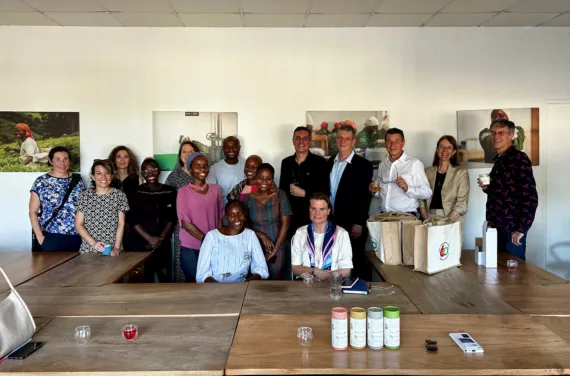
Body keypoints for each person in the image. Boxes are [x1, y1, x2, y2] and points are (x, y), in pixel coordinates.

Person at [478, 119, 538, 260]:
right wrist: (487, 188)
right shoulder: (499, 160)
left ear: (511, 135)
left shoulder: (519, 159)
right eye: (493, 133)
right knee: (496, 272)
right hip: (495, 225)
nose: (496, 136)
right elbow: (504, 191)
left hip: (512, 228)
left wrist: (521, 229)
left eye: (501, 133)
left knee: (514, 274)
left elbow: (530, 197)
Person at [328, 124, 373, 279]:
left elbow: (365, 196)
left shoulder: (364, 165)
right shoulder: (329, 163)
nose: (343, 141)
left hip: (353, 223)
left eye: (347, 138)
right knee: (335, 261)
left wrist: (359, 223)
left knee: (354, 262)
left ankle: (358, 297)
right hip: (332, 221)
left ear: (354, 141)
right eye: (340, 137)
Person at [125, 158, 177, 282]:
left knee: (164, 278)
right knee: (142, 279)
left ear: (159, 171)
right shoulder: (136, 191)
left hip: (162, 241)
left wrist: (161, 238)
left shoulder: (169, 190)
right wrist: (149, 238)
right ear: (142, 174)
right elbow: (132, 218)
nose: (150, 174)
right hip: (140, 242)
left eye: (153, 170)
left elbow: (172, 215)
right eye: (146, 171)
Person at [196, 200, 269, 283]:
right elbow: (201, 275)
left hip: (242, 289)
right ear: (226, 217)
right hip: (215, 290)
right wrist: (220, 290)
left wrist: (245, 285)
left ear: (245, 215)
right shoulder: (212, 236)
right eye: (232, 215)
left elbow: (262, 269)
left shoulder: (250, 235)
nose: (237, 218)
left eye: (240, 214)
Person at [177, 152, 224, 282]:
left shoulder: (216, 189)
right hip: (191, 248)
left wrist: (217, 239)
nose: (202, 170)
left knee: (213, 283)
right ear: (190, 169)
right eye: (197, 166)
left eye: (205, 166)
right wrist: (207, 239)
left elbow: (220, 216)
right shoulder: (183, 192)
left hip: (214, 246)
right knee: (194, 284)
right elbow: (185, 223)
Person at [29, 146, 85, 251]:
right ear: (51, 161)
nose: (62, 163)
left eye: (65, 159)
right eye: (57, 159)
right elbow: (33, 211)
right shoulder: (41, 181)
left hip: (76, 235)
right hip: (51, 236)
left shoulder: (78, 180)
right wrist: (40, 237)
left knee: (76, 267)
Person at [243, 163, 292, 280]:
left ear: (272, 179)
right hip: (255, 245)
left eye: (268, 178)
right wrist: (261, 235)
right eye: (260, 177)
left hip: (278, 244)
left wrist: (274, 250)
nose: (264, 181)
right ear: (255, 178)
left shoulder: (280, 195)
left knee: (275, 279)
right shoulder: (248, 198)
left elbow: (286, 223)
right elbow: (244, 224)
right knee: (257, 278)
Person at [280, 126, 330, 235]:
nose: (301, 141)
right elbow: (282, 191)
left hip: (313, 217)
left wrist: (305, 193)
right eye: (297, 138)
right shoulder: (286, 163)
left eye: (305, 138)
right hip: (291, 218)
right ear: (293, 141)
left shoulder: (320, 163)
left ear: (310, 142)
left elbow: (325, 192)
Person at [291, 192, 353, 280]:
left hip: (332, 285)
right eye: (313, 208)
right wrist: (315, 271)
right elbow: (295, 268)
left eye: (322, 209)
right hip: (306, 285)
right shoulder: (300, 232)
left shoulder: (341, 234)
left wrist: (327, 276)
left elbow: (346, 270)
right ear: (309, 209)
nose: (317, 213)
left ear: (328, 211)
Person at [370, 128, 432, 215]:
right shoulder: (382, 165)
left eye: (396, 141)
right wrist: (374, 190)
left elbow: (427, 193)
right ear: (385, 144)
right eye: (389, 141)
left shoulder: (414, 164)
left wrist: (407, 188)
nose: (392, 145)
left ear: (403, 143)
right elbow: (381, 193)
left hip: (405, 216)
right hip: (383, 216)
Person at [75, 159, 130, 255]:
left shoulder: (119, 195)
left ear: (112, 176)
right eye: (98, 173)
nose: (103, 177)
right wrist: (94, 243)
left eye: (107, 173)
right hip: (89, 248)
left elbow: (121, 223)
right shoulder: (84, 196)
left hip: (113, 249)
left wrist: (117, 247)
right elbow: (79, 224)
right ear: (92, 176)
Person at [165, 140, 200, 282]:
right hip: (182, 225)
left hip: (202, 224)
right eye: (184, 152)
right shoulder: (174, 176)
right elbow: (167, 202)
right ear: (180, 156)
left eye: (190, 151)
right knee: (182, 262)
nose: (187, 154)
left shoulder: (202, 173)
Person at [419, 136, 470, 223]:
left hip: (452, 218)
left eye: (449, 147)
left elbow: (461, 204)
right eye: (441, 146)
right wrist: (426, 220)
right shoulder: (427, 171)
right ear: (437, 149)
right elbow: (421, 199)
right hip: (429, 216)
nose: (445, 150)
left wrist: (446, 222)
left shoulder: (461, 173)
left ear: (454, 151)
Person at [206, 136, 245, 206]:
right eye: (227, 147)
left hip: (244, 210)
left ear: (239, 148)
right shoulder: (214, 168)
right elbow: (211, 194)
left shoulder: (247, 166)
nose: (231, 150)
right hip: (223, 212)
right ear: (223, 148)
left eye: (234, 147)